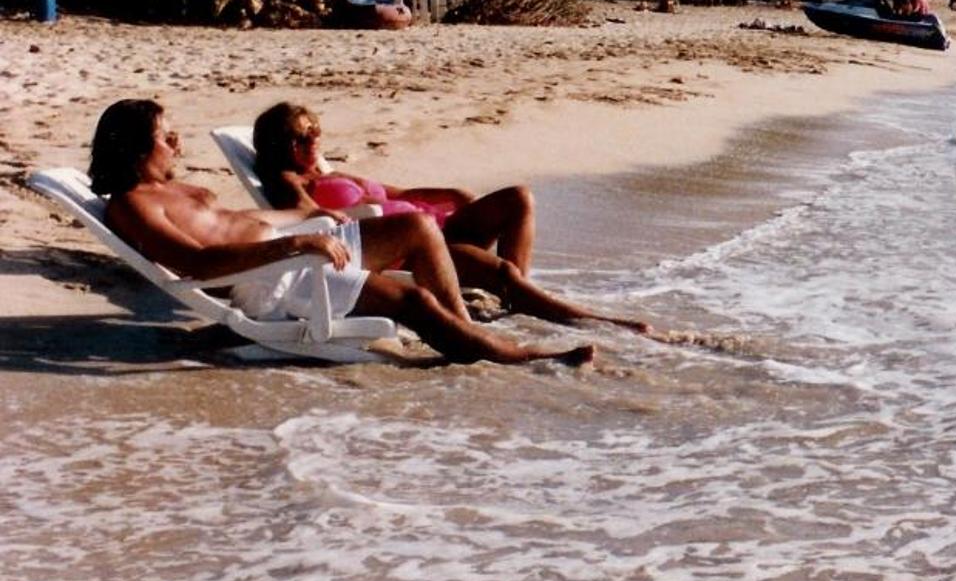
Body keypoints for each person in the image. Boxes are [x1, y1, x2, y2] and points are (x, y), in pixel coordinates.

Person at [90, 100, 613, 366]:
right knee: (414, 304)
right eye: (166, 137)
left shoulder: (174, 189)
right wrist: (297, 243)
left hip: (287, 252)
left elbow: (250, 221)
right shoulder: (133, 205)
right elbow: (198, 265)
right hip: (270, 279)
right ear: (136, 149)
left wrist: (310, 220)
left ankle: (468, 334)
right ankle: (513, 356)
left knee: (416, 226)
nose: (177, 143)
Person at [252, 102, 537, 276]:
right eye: (303, 137)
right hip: (415, 249)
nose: (314, 140)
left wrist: (451, 193)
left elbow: (400, 195)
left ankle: (516, 303)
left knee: (518, 197)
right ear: (283, 145)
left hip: (440, 226)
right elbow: (307, 215)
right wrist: (330, 211)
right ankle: (518, 303)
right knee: (503, 274)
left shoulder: (330, 174)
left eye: (315, 131)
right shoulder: (292, 182)